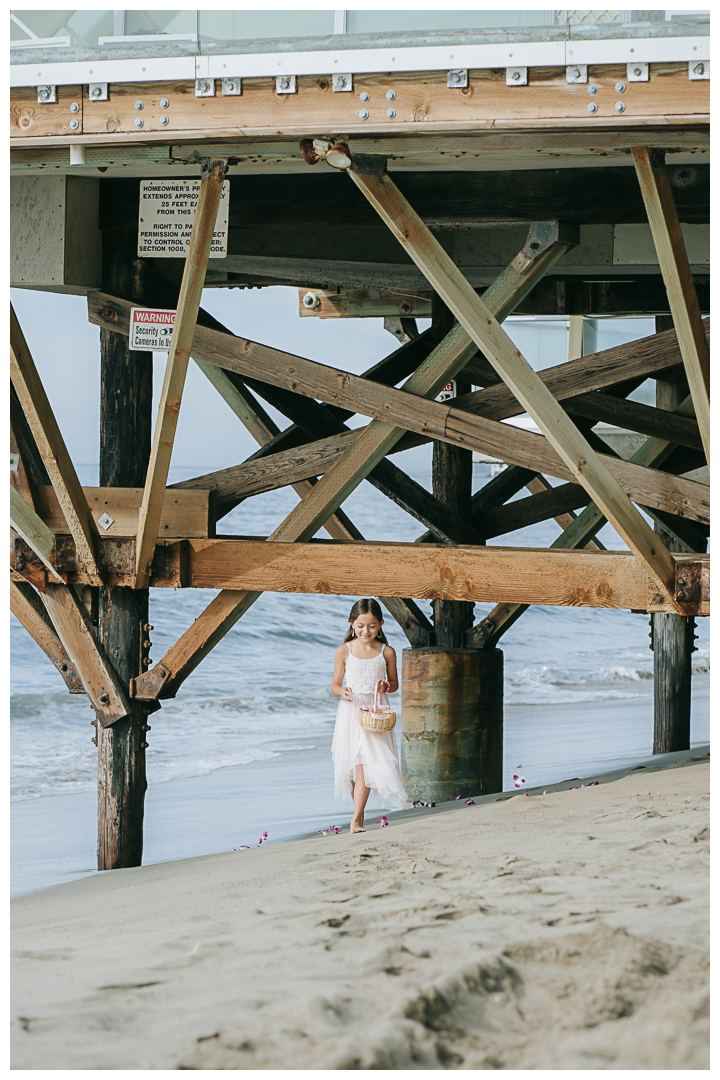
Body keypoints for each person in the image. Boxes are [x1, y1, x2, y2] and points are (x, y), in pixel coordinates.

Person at [330, 598, 407, 833]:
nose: (366, 631)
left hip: (375, 713)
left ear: (381, 624)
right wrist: (341, 691)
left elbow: (394, 684)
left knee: (364, 764)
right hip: (351, 712)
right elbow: (334, 685)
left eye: (372, 626)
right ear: (352, 624)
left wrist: (386, 687)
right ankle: (359, 817)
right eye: (361, 625)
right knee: (354, 766)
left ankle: (354, 820)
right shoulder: (344, 650)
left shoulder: (387, 652)